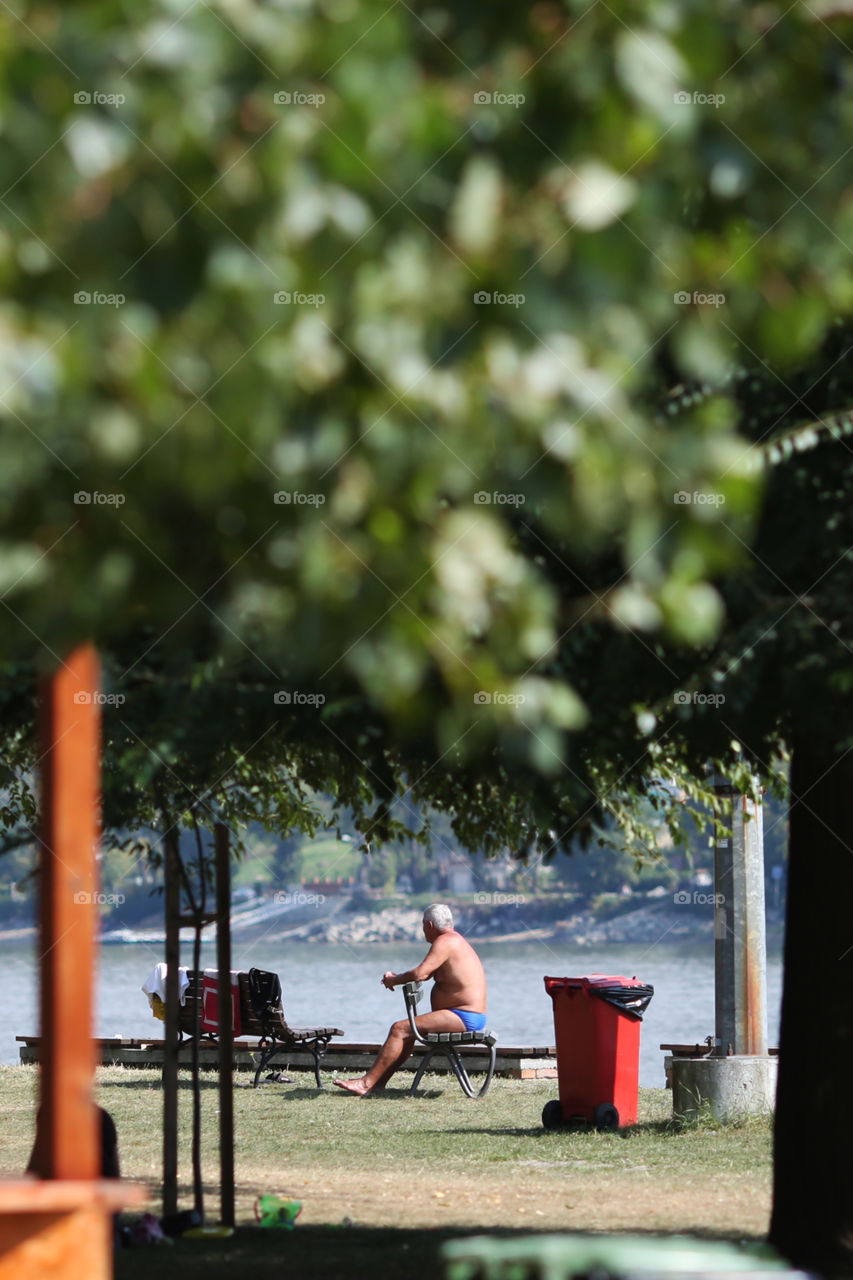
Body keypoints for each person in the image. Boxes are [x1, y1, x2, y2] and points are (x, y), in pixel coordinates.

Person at [334, 903, 487, 1096]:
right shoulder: (454, 940)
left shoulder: (445, 942)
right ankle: (378, 1084)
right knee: (406, 1032)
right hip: (467, 1015)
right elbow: (427, 973)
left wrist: (393, 980)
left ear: (429, 926)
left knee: (400, 1028)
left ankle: (365, 1084)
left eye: (423, 925)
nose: (423, 929)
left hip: (463, 1016)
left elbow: (420, 974)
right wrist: (397, 978)